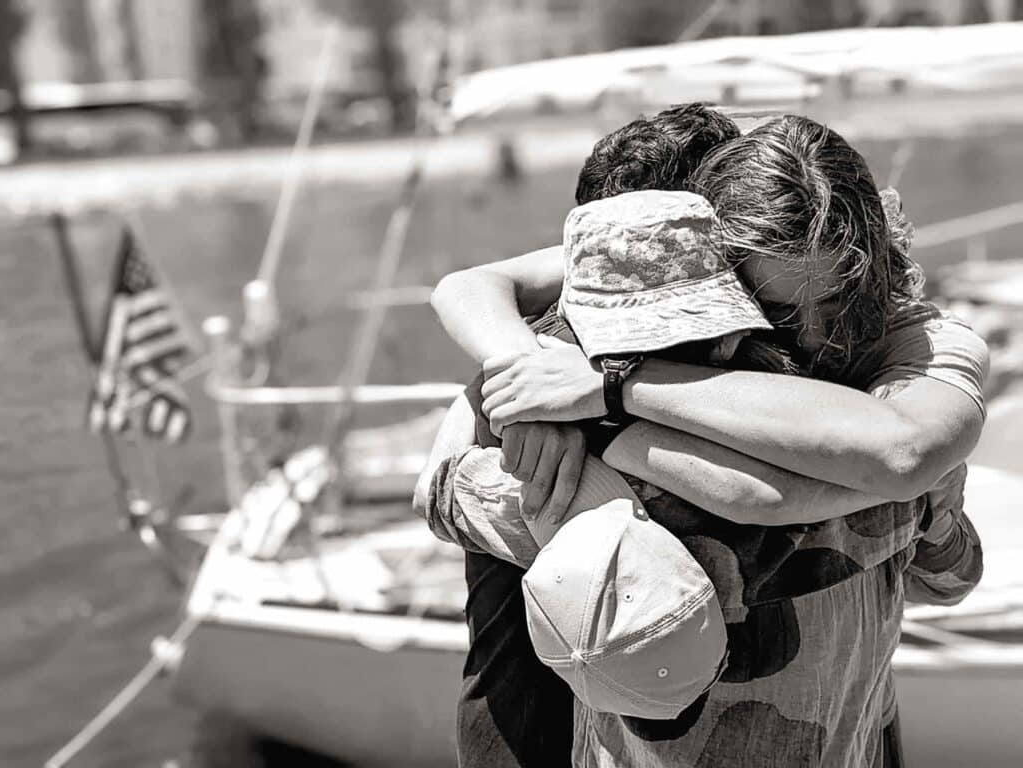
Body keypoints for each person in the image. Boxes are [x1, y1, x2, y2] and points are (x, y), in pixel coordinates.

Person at [422, 111, 987, 767]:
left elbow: (445, 485)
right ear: (719, 283)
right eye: (777, 313)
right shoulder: (871, 402)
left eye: (835, 306)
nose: (813, 340)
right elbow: (945, 563)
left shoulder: (899, 368)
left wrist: (612, 394)